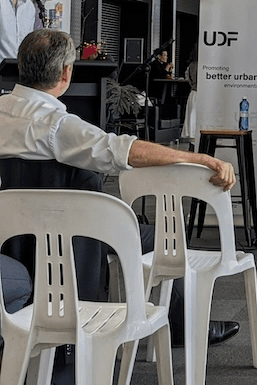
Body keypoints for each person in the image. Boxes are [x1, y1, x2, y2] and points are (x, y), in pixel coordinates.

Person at [0, 29, 242, 374]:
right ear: (67, 72)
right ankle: (187, 326)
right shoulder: (57, 126)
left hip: (12, 243)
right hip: (75, 245)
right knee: (161, 236)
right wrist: (202, 160)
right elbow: (125, 150)